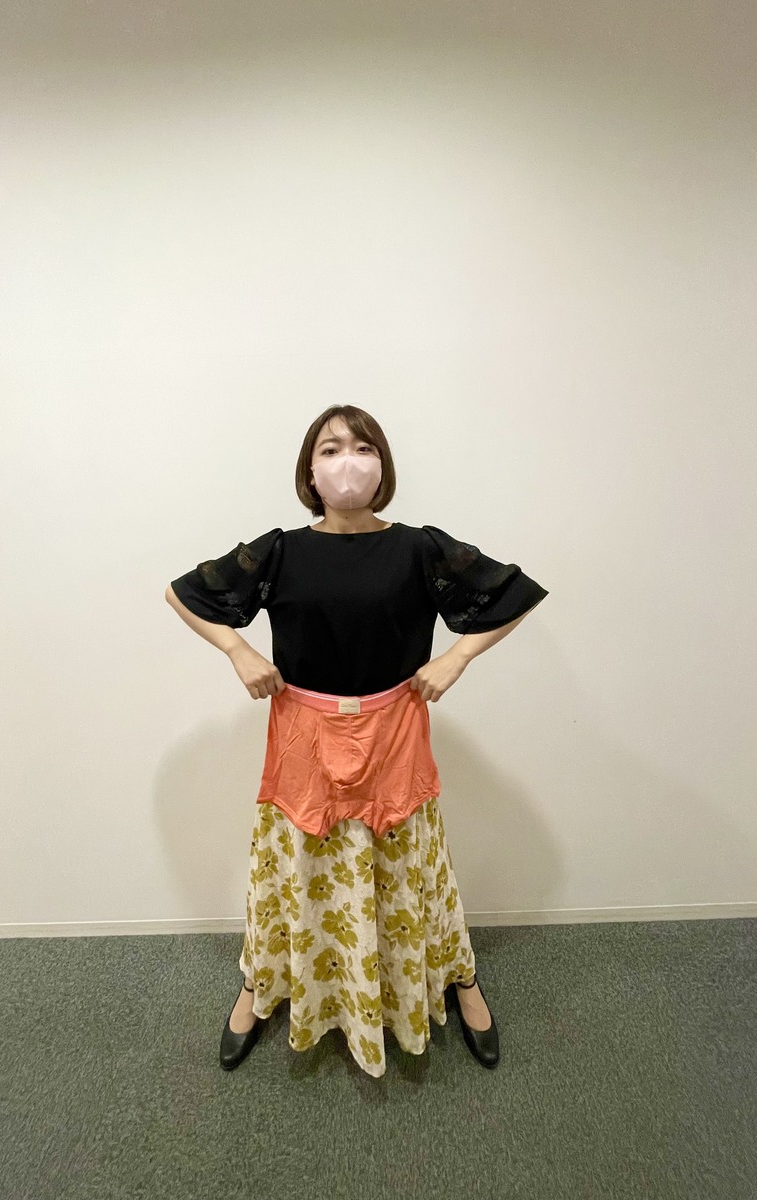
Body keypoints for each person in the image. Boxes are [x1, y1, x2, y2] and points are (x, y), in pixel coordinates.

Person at [165, 405, 549, 1077]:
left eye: (363, 447)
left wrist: (457, 657)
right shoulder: (280, 552)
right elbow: (185, 593)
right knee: (292, 866)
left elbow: (512, 593)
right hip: (303, 733)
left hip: (394, 730)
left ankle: (458, 975)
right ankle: (261, 981)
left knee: (413, 863)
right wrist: (237, 650)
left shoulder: (419, 549)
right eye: (332, 448)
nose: (349, 460)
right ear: (310, 472)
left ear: (383, 465)